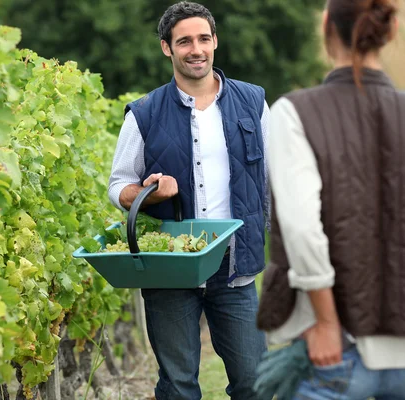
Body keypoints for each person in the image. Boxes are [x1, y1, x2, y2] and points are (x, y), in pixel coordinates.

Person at [261, 0, 405, 398]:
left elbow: (303, 229)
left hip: (333, 353)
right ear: (393, 29)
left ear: (325, 26)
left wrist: (328, 323)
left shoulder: (293, 113)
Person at [108, 2, 270, 399]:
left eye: (202, 39)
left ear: (215, 42)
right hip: (171, 270)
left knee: (255, 382)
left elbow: (271, 181)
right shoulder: (143, 114)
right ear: (167, 48)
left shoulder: (253, 102)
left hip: (235, 268)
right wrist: (148, 193)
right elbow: (118, 187)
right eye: (184, 41)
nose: (195, 49)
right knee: (178, 387)